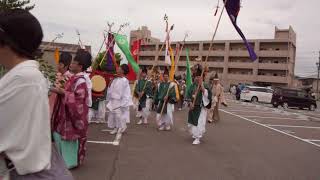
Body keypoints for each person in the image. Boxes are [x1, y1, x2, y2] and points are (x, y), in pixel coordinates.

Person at [0, 9, 73, 179]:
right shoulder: (25, 75)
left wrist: (62, 92)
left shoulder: (25, 77)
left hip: (29, 172)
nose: (60, 67)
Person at [51, 49, 92, 169]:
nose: (71, 64)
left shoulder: (81, 81)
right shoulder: (74, 78)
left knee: (69, 140)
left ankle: (69, 161)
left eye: (74, 62)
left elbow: (79, 101)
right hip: (66, 114)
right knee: (61, 138)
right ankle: (65, 161)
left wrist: (61, 92)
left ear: (80, 66)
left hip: (70, 116)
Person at [185, 65, 212, 145]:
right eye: (196, 76)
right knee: (193, 122)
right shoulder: (192, 86)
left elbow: (208, 96)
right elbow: (188, 95)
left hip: (201, 108)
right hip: (193, 108)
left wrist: (202, 88)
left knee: (199, 123)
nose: (197, 78)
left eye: (199, 76)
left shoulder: (206, 85)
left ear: (202, 77)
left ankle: (197, 138)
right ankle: (195, 134)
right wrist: (190, 103)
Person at [106, 64, 133, 135]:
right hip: (113, 100)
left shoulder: (125, 80)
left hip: (120, 100)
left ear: (123, 71)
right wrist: (110, 83)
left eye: (119, 68)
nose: (117, 69)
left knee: (119, 115)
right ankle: (115, 128)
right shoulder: (115, 79)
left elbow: (126, 93)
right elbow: (110, 89)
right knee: (112, 114)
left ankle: (121, 127)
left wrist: (124, 102)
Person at [49, 52, 73, 116]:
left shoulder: (70, 77)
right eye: (58, 64)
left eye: (60, 64)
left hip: (60, 105)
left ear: (66, 66)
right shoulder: (57, 74)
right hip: (52, 101)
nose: (58, 66)